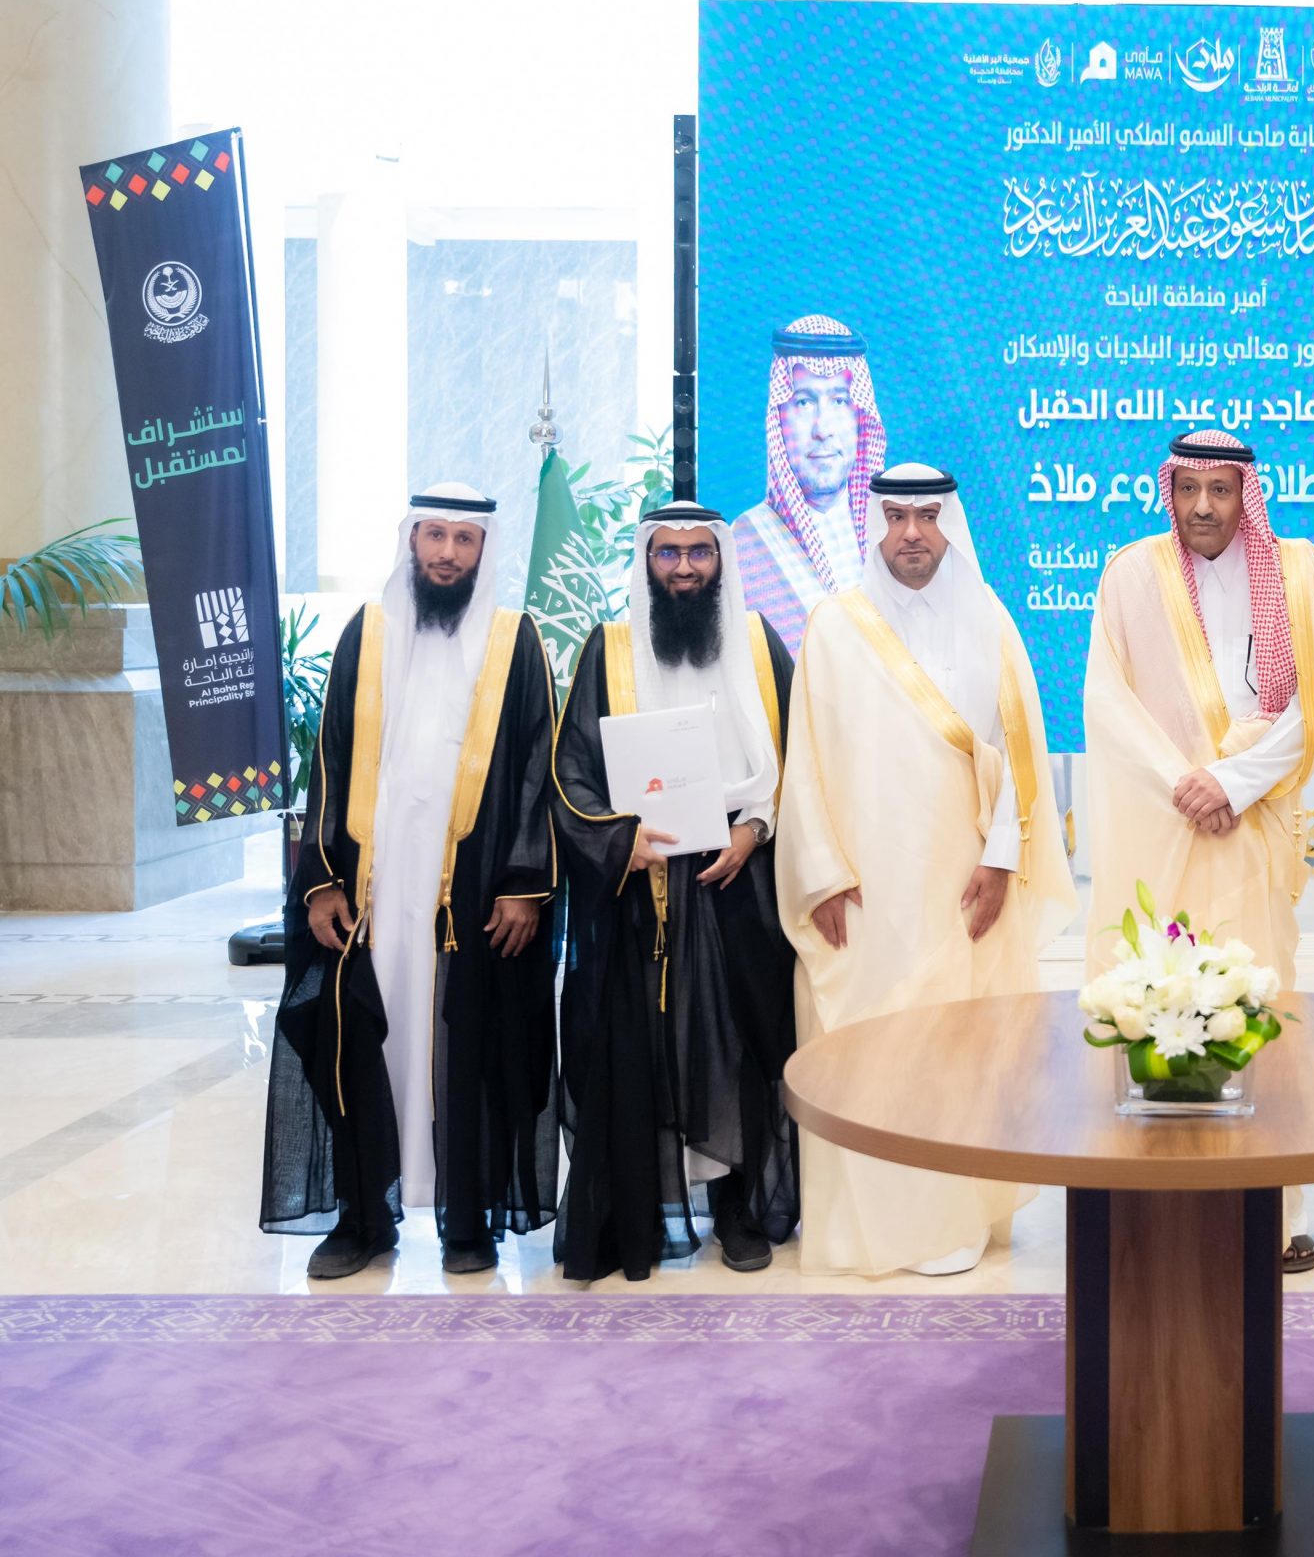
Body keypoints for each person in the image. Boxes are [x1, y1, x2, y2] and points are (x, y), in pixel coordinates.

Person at [776, 464, 1073, 1277]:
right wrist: (821, 872)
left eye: (928, 516)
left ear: (950, 524)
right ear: (875, 523)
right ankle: (878, 1228)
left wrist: (1002, 858)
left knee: (958, 1048)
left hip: (960, 884)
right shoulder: (835, 625)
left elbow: (1020, 755)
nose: (912, 533)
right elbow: (806, 762)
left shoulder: (990, 621)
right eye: (897, 516)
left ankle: (951, 1217)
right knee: (873, 1048)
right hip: (866, 888)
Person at [260, 485, 559, 1280]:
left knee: (472, 1047)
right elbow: (328, 758)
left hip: (473, 892)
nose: (447, 553)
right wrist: (323, 879)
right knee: (357, 1040)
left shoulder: (514, 639)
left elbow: (539, 767)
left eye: (464, 539)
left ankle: (468, 1221)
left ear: (484, 549)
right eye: (435, 535)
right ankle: (364, 1216)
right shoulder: (369, 632)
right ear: (412, 540)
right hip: (372, 890)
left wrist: (525, 881)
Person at [1083, 429, 1314, 1273]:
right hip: (1162, 831)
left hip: (1251, 829)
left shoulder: (1298, 572)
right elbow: (1107, 701)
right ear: (1170, 491)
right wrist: (1187, 784)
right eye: (1188, 488)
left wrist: (1232, 783)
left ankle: (1269, 1216)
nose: (1203, 506)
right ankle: (1146, 1211)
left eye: (1220, 489)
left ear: (1245, 494)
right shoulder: (1130, 573)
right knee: (1149, 1002)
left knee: (1257, 1008)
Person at [550, 502, 798, 1282]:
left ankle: (737, 1208)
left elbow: (804, 755)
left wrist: (755, 829)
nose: (684, 568)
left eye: (699, 553)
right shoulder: (610, 648)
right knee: (640, 1046)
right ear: (646, 562)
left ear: (721, 560)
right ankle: (634, 1215)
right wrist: (618, 842)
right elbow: (570, 769)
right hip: (639, 882)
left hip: (739, 879)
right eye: (668, 553)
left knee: (737, 1045)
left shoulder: (758, 643)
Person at [732, 314, 890, 653]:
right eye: (804, 402)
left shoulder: (893, 532)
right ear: (780, 417)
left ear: (860, 416)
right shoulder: (744, 543)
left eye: (840, 401)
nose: (823, 428)